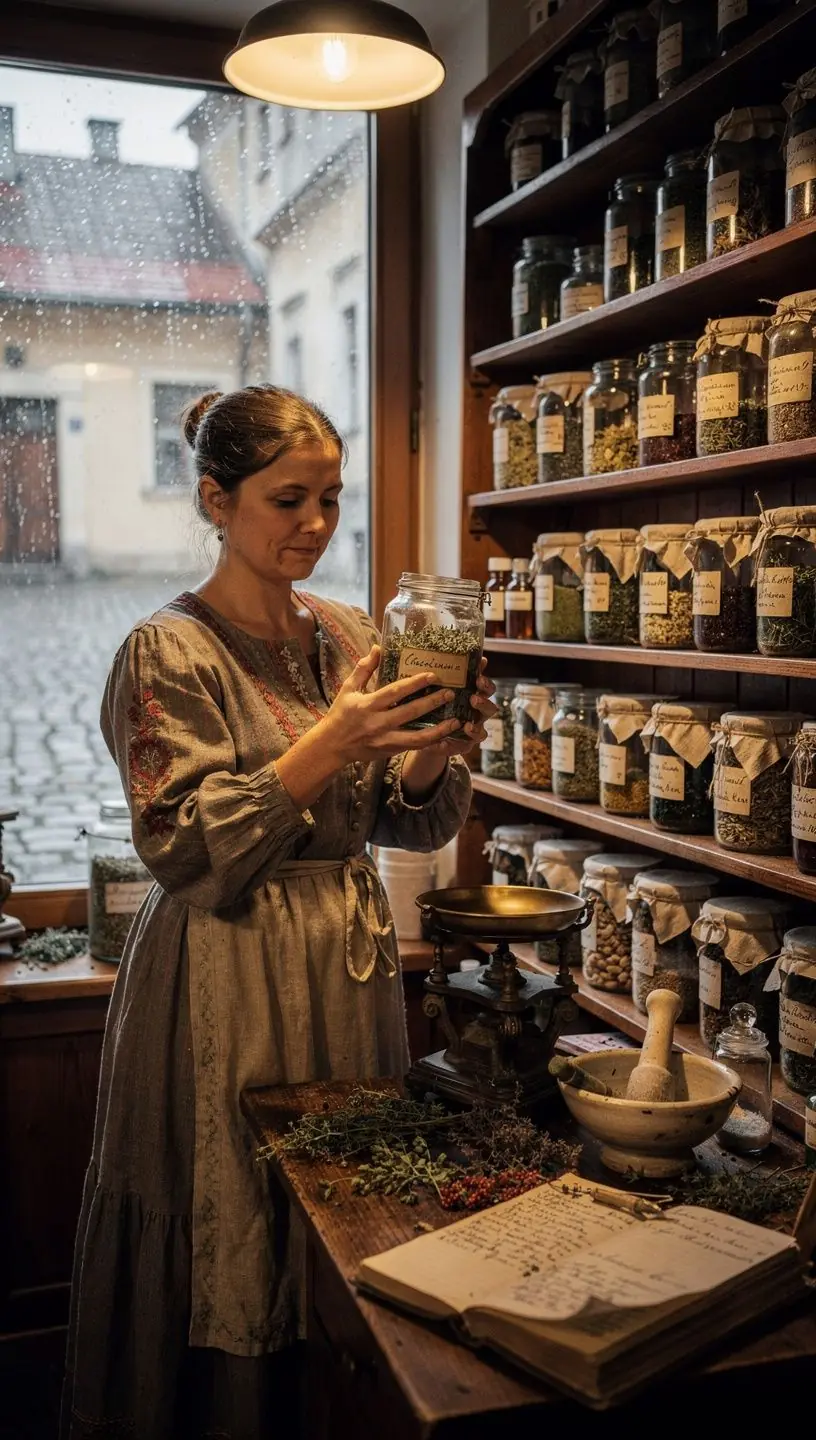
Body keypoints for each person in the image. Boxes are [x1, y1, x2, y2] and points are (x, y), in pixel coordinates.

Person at [61, 385, 495, 1440]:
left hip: (342, 962)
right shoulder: (169, 652)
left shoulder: (350, 631)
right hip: (225, 965)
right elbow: (183, 845)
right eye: (286, 499)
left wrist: (430, 745)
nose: (314, 524)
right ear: (216, 499)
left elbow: (400, 827)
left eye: (331, 501)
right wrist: (334, 742)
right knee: (231, 1205)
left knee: (339, 1203)